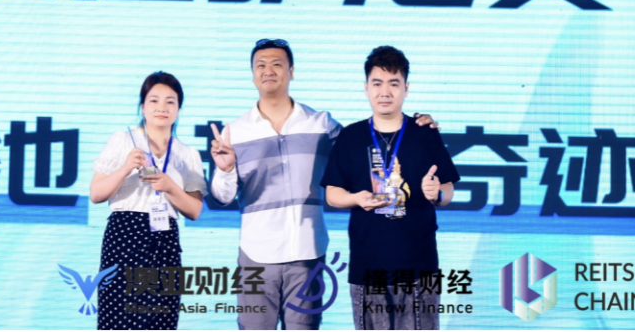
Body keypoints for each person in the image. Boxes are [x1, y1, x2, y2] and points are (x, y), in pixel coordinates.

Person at [209, 39, 439, 332]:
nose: (269, 70)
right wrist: (226, 169)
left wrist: (418, 126)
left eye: (277, 64)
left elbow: (367, 145)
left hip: (308, 250)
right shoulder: (236, 131)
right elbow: (222, 197)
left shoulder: (321, 124)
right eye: (260, 65)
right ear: (253, 74)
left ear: (291, 71)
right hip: (257, 253)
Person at [321, 46, 460, 331]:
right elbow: (332, 194)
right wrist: (356, 198)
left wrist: (437, 193)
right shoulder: (351, 136)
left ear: (406, 88)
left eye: (393, 84)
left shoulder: (425, 133)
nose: (385, 92)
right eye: (377, 83)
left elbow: (447, 189)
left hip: (419, 265)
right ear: (366, 88)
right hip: (368, 265)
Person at [90, 72, 208, 332]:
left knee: (160, 321)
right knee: (118, 320)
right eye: (154, 101)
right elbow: (96, 194)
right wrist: (124, 169)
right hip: (124, 237)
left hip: (165, 240)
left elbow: (195, 210)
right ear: (143, 106)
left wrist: (170, 187)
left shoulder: (188, 154)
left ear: (178, 109)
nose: (161, 107)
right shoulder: (123, 140)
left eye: (170, 102)